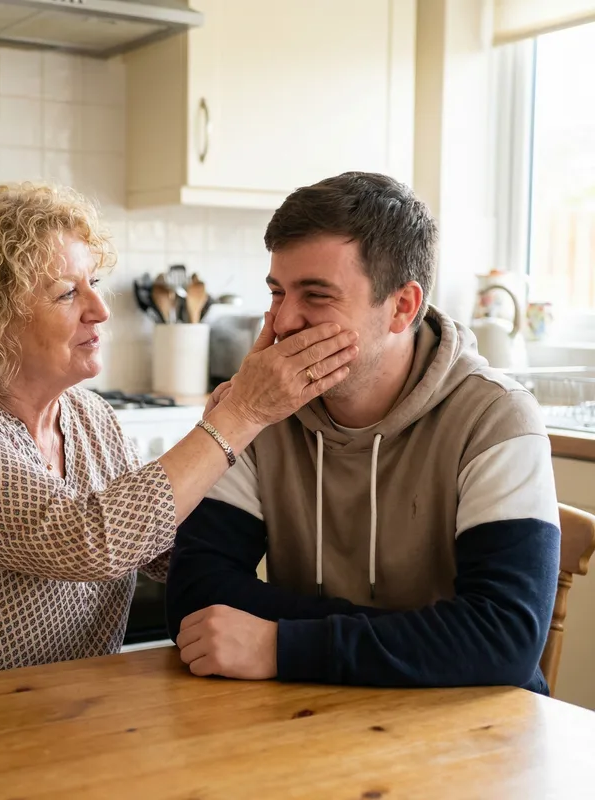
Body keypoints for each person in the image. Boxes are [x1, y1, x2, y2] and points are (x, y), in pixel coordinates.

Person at [0, 183, 359, 693]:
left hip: (58, 713)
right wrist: (241, 413)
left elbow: (163, 549)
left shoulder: (89, 416)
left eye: (94, 285)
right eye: (67, 293)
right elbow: (88, 544)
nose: (100, 311)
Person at [166, 172, 561, 693]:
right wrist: (423, 637)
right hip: (311, 714)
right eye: (277, 292)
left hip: (472, 733)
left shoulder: (498, 419)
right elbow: (196, 598)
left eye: (317, 295)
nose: (284, 320)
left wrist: (280, 643)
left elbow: (502, 640)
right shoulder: (262, 410)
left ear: (402, 306)